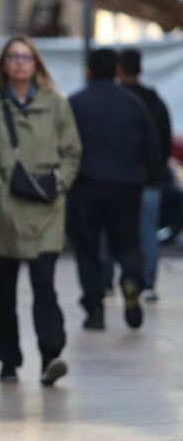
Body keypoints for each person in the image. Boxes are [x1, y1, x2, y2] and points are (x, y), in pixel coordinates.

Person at [0, 36, 81, 385]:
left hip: (46, 210)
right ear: (3, 64)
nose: (19, 63)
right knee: (3, 292)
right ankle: (8, 361)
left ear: (36, 64)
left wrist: (59, 183)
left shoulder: (56, 105)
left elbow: (72, 152)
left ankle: (51, 355)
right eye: (13, 57)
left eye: (26, 57)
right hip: (2, 213)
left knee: (44, 285)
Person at [68, 49, 161, 331]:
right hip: (126, 187)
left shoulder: (76, 103)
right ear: (117, 70)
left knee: (87, 248)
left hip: (86, 186)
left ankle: (95, 308)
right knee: (127, 243)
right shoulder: (134, 104)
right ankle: (132, 279)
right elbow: (151, 148)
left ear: (89, 71)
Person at [101, 49, 171, 302]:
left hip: (118, 178)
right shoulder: (154, 102)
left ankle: (105, 282)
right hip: (149, 179)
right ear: (140, 69)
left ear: (119, 70)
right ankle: (147, 283)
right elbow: (164, 141)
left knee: (108, 229)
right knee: (147, 233)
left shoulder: (115, 101)